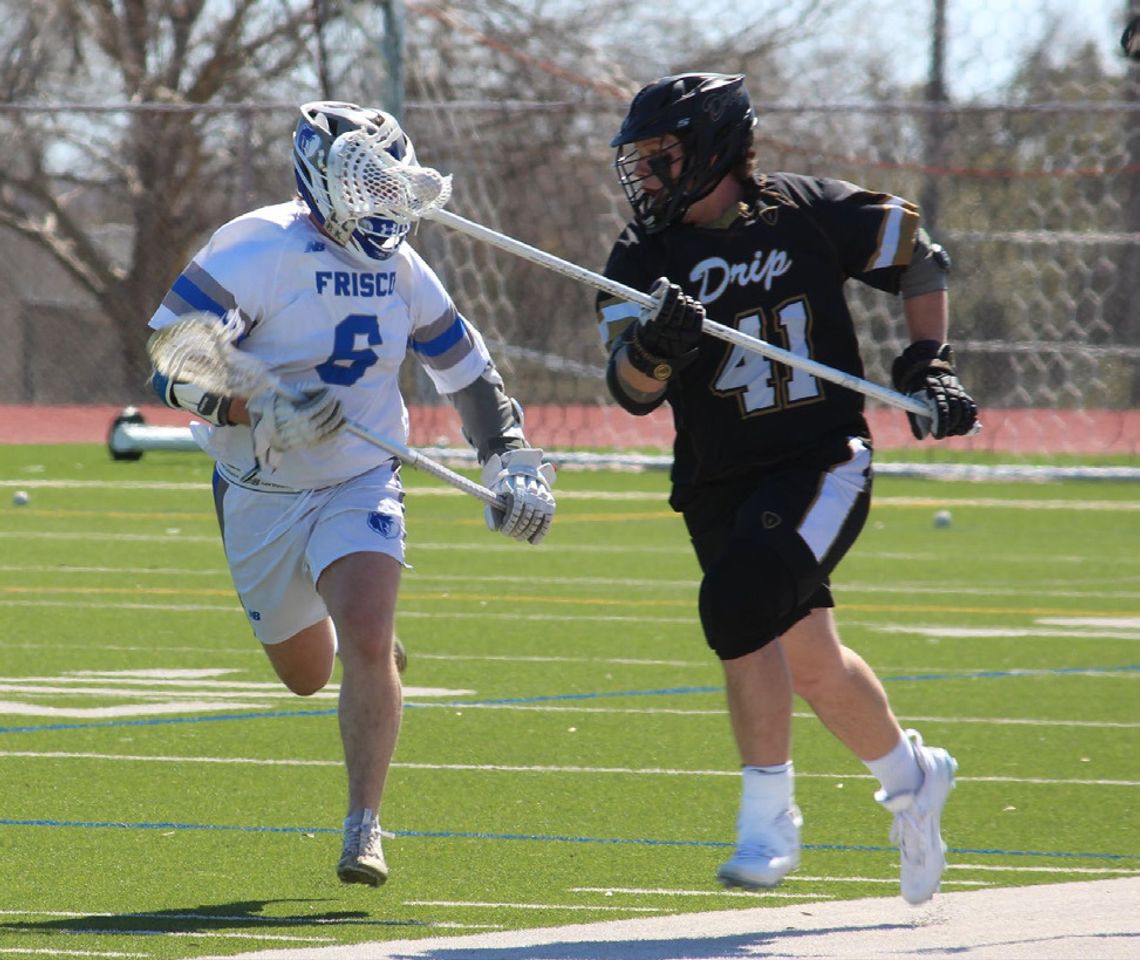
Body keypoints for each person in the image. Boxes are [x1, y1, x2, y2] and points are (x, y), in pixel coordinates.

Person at [147, 101, 556, 887]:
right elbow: (170, 355)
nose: (385, 204)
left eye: (388, 184)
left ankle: (363, 826)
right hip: (258, 482)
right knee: (306, 673)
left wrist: (505, 456)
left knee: (368, 633)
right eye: (368, 185)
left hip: (360, 477)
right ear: (323, 183)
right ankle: (361, 655)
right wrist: (254, 404)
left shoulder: (403, 268)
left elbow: (465, 370)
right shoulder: (258, 246)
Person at [595, 73, 978, 905]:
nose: (648, 177)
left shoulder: (807, 209)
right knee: (812, 660)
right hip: (714, 479)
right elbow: (629, 390)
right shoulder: (642, 255)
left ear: (717, 148)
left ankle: (767, 820)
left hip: (818, 459)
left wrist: (928, 362)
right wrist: (657, 347)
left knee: (738, 605)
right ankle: (913, 778)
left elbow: (920, 259)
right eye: (643, 161)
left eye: (663, 157)